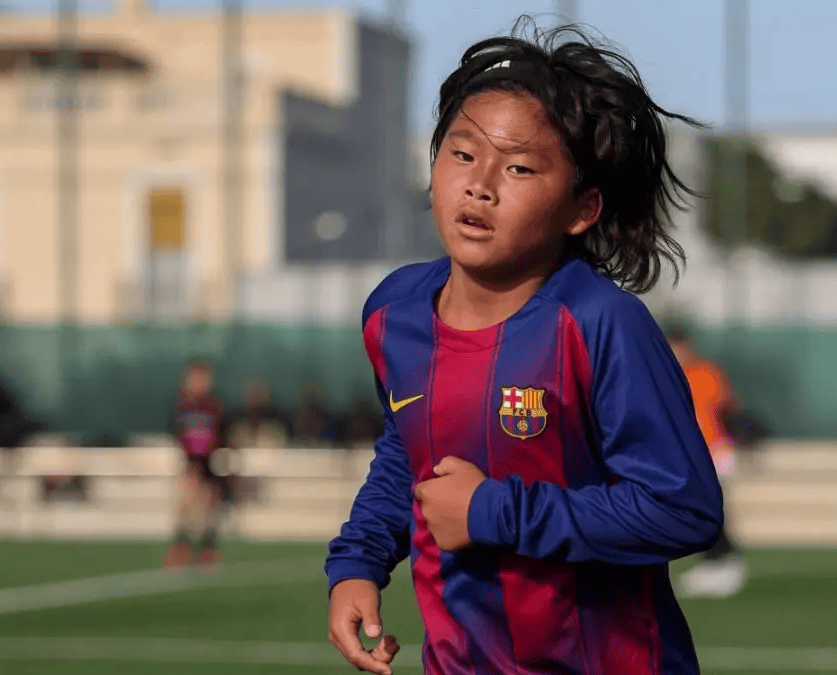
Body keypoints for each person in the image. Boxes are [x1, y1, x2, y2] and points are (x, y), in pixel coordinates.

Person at [325, 20, 723, 675]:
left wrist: (495, 511)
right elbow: (408, 449)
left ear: (582, 208)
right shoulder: (393, 313)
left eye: (518, 167)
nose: (480, 184)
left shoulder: (600, 324)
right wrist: (358, 562)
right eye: (462, 154)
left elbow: (683, 508)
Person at [667, 329, 747, 598]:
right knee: (695, 509)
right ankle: (716, 562)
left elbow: (727, 407)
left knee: (707, 508)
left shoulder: (707, 373)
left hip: (713, 451)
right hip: (685, 453)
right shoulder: (663, 374)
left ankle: (724, 562)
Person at [165, 358, 233, 572]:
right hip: (189, 466)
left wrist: (220, 471)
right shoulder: (182, 406)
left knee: (209, 512)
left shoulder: (215, 408)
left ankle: (207, 551)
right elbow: (179, 436)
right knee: (185, 509)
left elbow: (222, 439)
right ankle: (181, 549)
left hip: (210, 468)